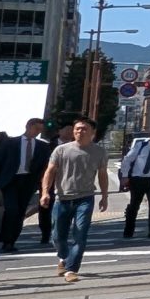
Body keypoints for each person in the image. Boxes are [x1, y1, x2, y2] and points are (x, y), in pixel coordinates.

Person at [41, 118, 110, 283]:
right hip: (62, 197)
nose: (80, 131)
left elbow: (102, 174)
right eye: (77, 129)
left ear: (93, 133)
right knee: (57, 236)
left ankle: (71, 269)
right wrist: (45, 192)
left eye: (84, 129)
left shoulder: (99, 152)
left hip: (85, 198)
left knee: (80, 234)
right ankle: (63, 257)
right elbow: (50, 171)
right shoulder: (61, 150)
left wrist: (104, 196)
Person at [0, 118, 51, 253]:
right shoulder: (10, 143)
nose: (38, 132)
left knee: (20, 212)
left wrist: (41, 184)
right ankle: (6, 240)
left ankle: (12, 240)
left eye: (40, 130)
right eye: (36, 129)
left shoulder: (42, 146)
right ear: (28, 126)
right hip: (10, 180)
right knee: (11, 210)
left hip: (28, 181)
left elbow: (44, 167)